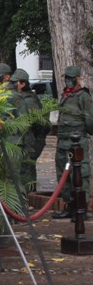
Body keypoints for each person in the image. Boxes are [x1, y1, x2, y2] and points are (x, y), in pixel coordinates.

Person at [52, 66, 93, 219]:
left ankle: (81, 209)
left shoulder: (83, 96)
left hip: (77, 142)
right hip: (62, 142)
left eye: (71, 78)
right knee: (63, 175)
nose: (68, 81)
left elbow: (90, 118)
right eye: (66, 78)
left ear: (78, 78)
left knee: (80, 175)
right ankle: (69, 207)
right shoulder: (66, 95)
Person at [9, 68, 44, 193]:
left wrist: (35, 139)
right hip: (20, 142)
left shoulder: (29, 100)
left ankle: (29, 197)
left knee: (27, 172)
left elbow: (39, 123)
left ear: (23, 84)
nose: (12, 86)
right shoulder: (16, 97)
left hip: (29, 142)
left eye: (15, 83)